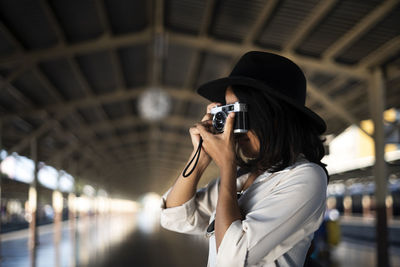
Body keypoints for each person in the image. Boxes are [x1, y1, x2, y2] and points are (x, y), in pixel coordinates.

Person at [160, 51, 328, 267]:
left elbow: (230, 257)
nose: (235, 127)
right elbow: (175, 217)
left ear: (273, 116)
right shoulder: (244, 177)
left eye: (240, 113)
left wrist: (227, 165)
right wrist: (201, 157)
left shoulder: (306, 177)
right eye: (228, 112)